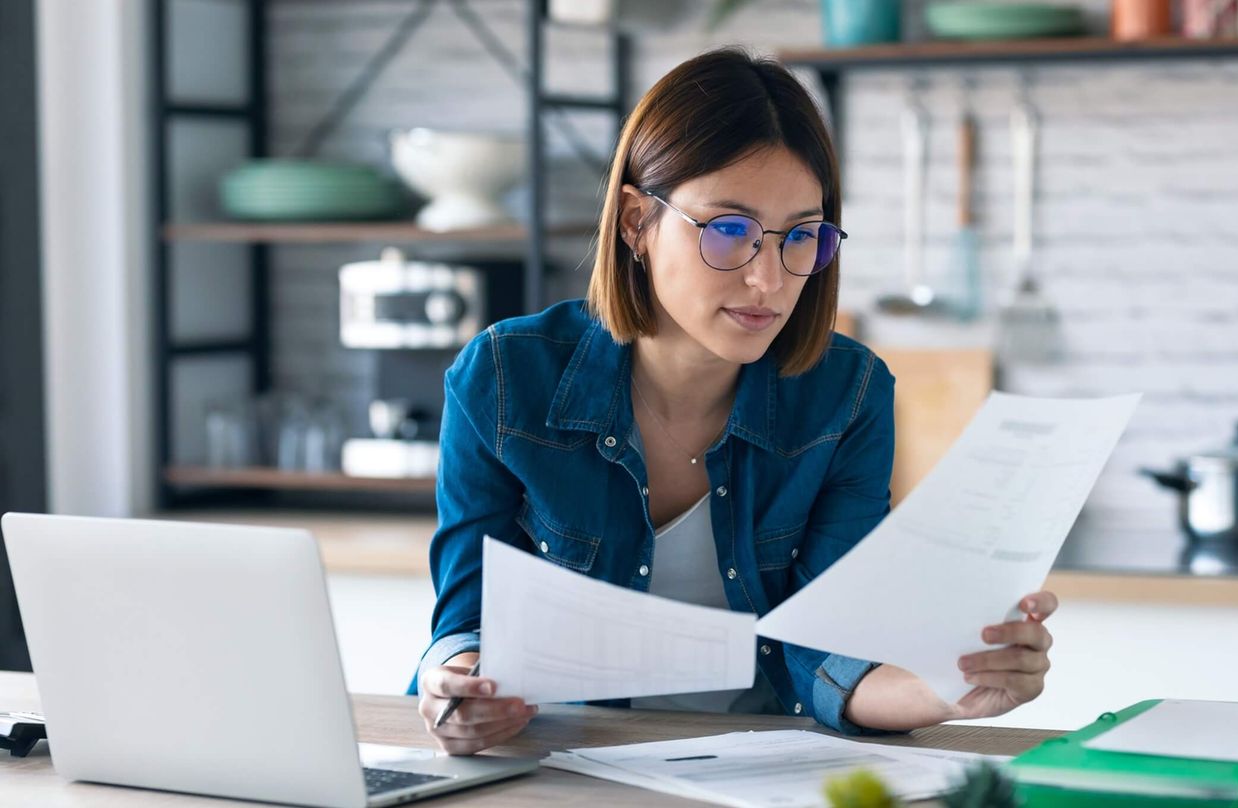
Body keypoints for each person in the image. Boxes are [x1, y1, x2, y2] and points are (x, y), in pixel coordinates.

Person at [411, 48, 1057, 755]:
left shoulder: (849, 394)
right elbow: (466, 624)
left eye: (801, 237)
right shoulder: (505, 378)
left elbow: (830, 655)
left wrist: (950, 688)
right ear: (635, 222)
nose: (769, 280)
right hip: (564, 762)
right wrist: (460, 689)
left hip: (761, 767)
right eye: (728, 230)